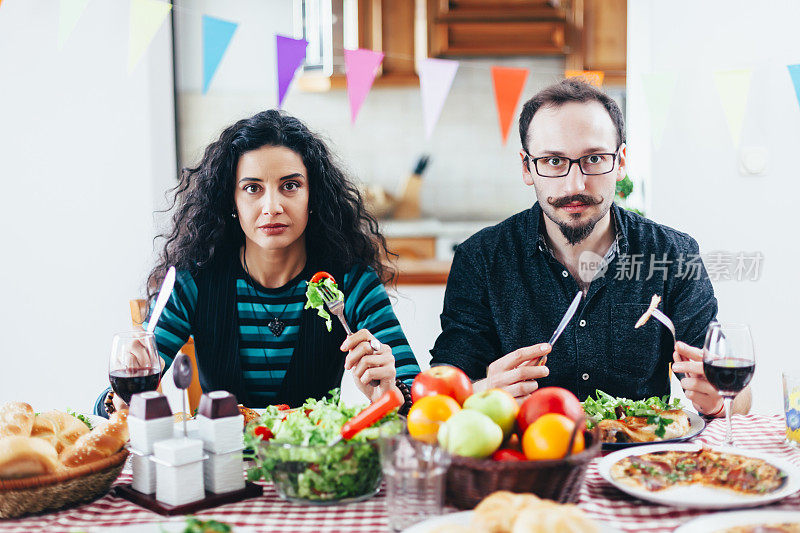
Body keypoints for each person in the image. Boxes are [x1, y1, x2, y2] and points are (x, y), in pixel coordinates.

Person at [429, 79, 750, 417]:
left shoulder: (674, 254)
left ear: (621, 161)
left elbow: (738, 398)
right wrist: (481, 392)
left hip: (641, 461)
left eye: (594, 158)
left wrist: (718, 399)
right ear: (527, 167)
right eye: (554, 162)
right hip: (530, 460)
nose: (575, 185)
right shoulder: (480, 260)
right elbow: (440, 397)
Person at [95, 110, 420, 416]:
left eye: (290, 186)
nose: (272, 206)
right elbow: (109, 406)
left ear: (313, 196)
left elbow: (418, 396)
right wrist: (121, 397)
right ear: (231, 201)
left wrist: (389, 391)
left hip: (314, 466)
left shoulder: (351, 282)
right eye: (253, 188)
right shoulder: (192, 281)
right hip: (219, 465)